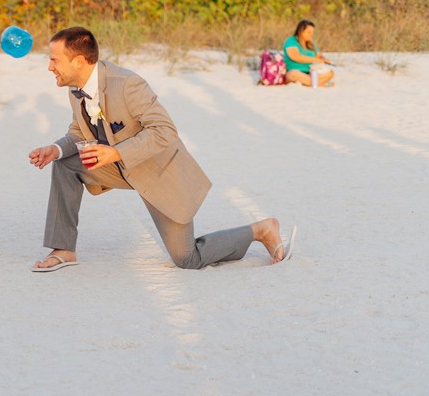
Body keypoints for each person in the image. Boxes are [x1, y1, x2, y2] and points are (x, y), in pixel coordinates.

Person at [27, 26, 294, 272]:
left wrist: (116, 152)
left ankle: (260, 230)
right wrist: (55, 149)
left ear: (79, 61)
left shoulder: (127, 84)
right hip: (117, 168)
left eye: (54, 60)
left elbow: (165, 131)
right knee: (64, 164)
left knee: (187, 259)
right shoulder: (76, 88)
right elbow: (78, 131)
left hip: (158, 170)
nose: (50, 67)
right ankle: (63, 249)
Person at [283, 19, 334, 87]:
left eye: (312, 32)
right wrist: (315, 60)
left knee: (331, 73)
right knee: (293, 75)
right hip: (294, 71)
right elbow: (296, 57)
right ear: (301, 31)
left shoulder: (311, 44)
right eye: (308, 32)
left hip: (310, 72)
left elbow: (318, 56)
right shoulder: (291, 41)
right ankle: (321, 84)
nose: (311, 34)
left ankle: (310, 82)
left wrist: (324, 60)